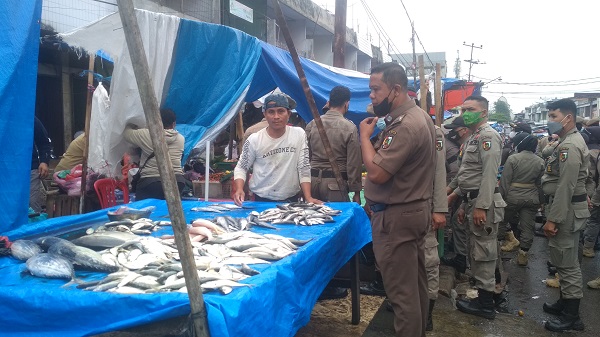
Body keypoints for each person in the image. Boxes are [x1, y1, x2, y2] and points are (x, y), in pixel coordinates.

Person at [360, 62, 435, 336]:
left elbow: (377, 173)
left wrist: (365, 138)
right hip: (411, 211)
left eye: (376, 89)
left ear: (396, 89)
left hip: (396, 218)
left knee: (402, 295)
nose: (371, 95)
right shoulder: (419, 117)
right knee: (415, 287)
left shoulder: (404, 125)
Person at [447, 95, 506, 320]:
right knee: (477, 250)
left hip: (485, 203)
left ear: (483, 112)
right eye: (462, 110)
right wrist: (459, 201)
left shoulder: (488, 136)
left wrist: (481, 206)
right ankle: (484, 297)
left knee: (484, 253)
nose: (464, 114)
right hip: (473, 200)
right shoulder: (474, 137)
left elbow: (490, 175)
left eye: (469, 109)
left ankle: (485, 304)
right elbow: (468, 175)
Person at [541, 98, 588, 332]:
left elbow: (565, 186)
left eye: (553, 117)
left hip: (565, 211)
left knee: (567, 263)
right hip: (568, 208)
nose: (550, 121)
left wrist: (553, 219)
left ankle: (572, 316)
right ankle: (564, 303)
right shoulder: (567, 141)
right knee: (562, 259)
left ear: (568, 118)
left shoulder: (570, 145)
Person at [233, 93, 321, 205]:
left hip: (291, 199)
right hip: (261, 200)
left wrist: (308, 197)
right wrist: (239, 189)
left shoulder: (299, 134)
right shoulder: (254, 139)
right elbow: (241, 167)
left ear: (288, 113)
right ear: (264, 114)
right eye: (271, 112)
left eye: (281, 111)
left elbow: (303, 167)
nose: (276, 117)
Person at [306, 85, 362, 203]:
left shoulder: (312, 124)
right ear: (347, 104)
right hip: (335, 185)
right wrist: (356, 192)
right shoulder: (349, 127)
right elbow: (353, 164)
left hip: (312, 182)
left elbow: (305, 157)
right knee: (336, 219)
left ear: (329, 102)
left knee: (313, 219)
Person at [498, 133, 544, 265]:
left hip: (512, 196)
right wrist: (541, 201)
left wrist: (501, 199)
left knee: (501, 222)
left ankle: (498, 248)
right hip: (531, 197)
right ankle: (523, 255)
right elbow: (541, 184)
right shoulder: (540, 161)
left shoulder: (513, 159)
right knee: (528, 227)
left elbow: (505, 181)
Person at [123, 108, 185, 200]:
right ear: (174, 124)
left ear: (153, 121)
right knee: (170, 212)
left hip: (151, 182)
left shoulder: (147, 135)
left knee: (145, 212)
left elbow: (126, 133)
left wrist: (135, 123)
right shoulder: (181, 138)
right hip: (177, 181)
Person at [441, 116, 471, 273]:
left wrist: (453, 193)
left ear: (464, 130)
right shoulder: (463, 146)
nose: (453, 133)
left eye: (455, 130)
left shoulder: (468, 145)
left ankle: (462, 260)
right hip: (463, 190)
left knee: (460, 223)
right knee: (458, 221)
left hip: (474, 195)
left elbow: (463, 174)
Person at [582, 126, 600, 259]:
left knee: (593, 220)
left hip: (593, 190)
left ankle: (588, 246)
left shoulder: (588, 152)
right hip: (594, 187)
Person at [30, 116, 53, 212]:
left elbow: (44, 142)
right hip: (5, 171)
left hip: (30, 168)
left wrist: (44, 162)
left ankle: (34, 225)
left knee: (32, 203)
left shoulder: (29, 117)